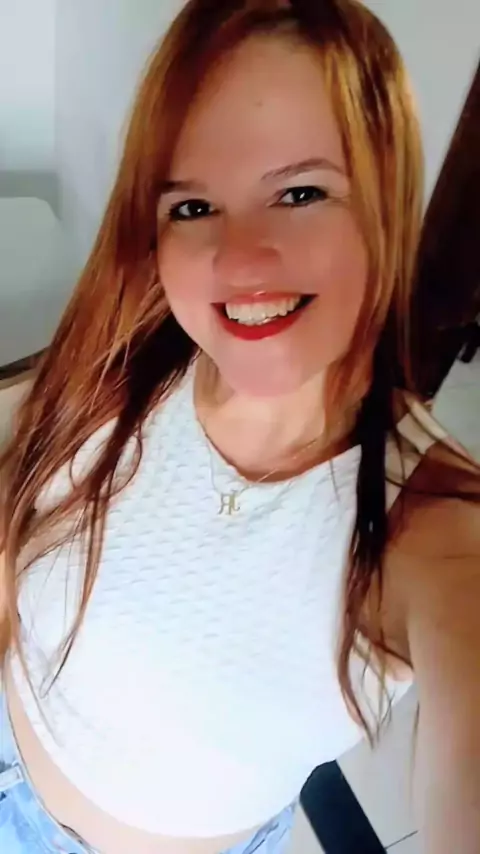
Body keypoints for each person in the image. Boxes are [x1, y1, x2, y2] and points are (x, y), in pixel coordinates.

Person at [0, 1, 479, 853]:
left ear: (386, 206)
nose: (239, 259)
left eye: (300, 192)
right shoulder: (130, 358)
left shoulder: (428, 527)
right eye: (193, 207)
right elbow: (20, 485)